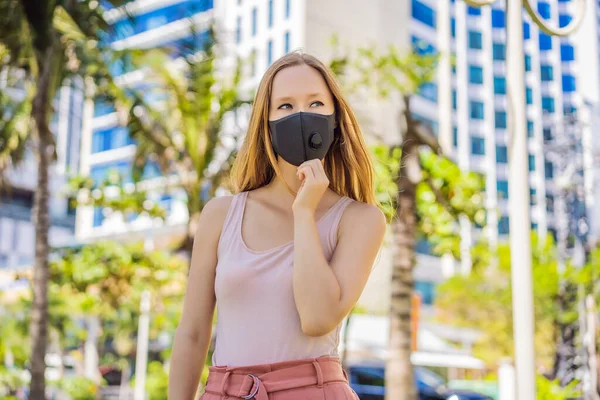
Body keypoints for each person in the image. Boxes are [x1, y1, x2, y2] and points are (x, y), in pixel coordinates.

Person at [168, 51, 386, 400]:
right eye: (285, 106)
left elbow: (317, 318)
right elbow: (193, 333)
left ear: (335, 118)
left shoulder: (361, 219)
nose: (301, 116)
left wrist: (305, 212)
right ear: (265, 123)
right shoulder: (220, 215)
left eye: (315, 102)